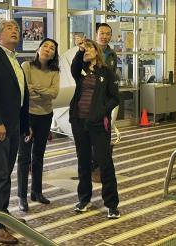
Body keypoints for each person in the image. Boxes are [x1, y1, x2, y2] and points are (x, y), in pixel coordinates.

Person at [0, 19, 31, 245]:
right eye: (9, 29)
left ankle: (2, 213)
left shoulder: (15, 61)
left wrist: (25, 122)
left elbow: (21, 96)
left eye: (17, 29)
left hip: (14, 125)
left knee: (6, 173)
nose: (15, 31)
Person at [69, 38, 121, 219]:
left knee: (104, 162)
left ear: (97, 51)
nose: (86, 52)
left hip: (98, 124)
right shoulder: (80, 70)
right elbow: (74, 66)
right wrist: (79, 50)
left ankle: (112, 204)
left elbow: (115, 98)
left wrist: (101, 111)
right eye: (84, 50)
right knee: (83, 161)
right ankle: (84, 199)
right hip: (79, 122)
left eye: (89, 48)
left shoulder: (107, 73)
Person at [17, 38, 60, 212]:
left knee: (39, 155)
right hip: (27, 115)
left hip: (45, 116)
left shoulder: (54, 71)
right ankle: (22, 196)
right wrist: (42, 92)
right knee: (24, 157)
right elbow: (25, 90)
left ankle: (37, 192)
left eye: (51, 48)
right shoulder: (27, 66)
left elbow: (54, 93)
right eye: (45, 46)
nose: (47, 49)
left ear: (53, 55)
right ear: (38, 49)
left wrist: (37, 89)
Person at [91, 23, 119, 183]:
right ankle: (93, 167)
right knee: (91, 136)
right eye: (102, 33)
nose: (105, 36)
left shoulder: (112, 54)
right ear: (96, 34)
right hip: (91, 102)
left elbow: (112, 77)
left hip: (106, 102)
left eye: (108, 33)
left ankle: (101, 167)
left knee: (105, 133)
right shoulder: (89, 51)